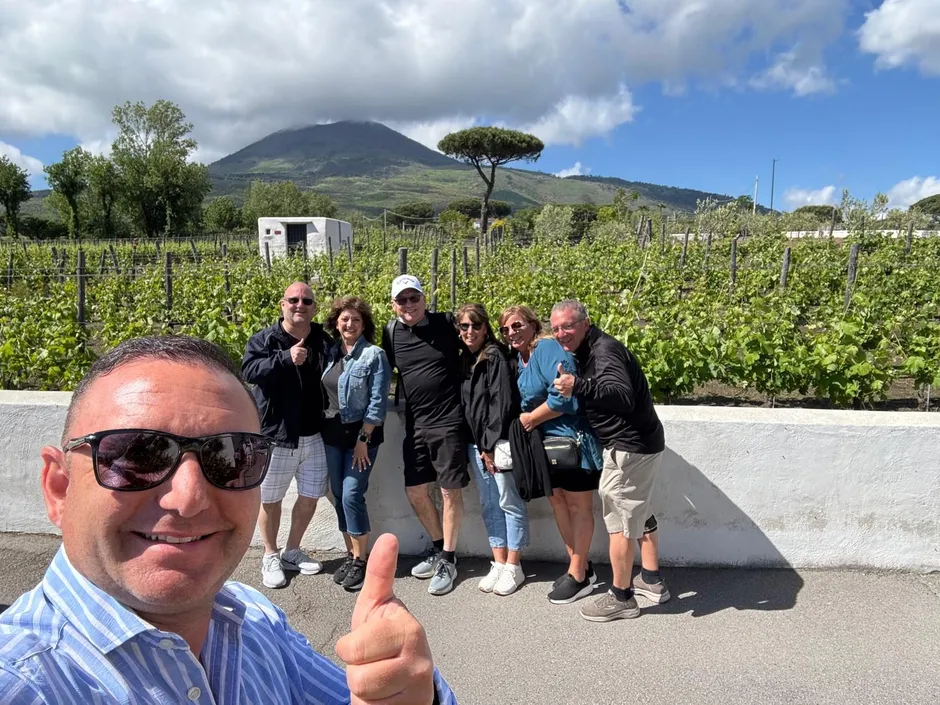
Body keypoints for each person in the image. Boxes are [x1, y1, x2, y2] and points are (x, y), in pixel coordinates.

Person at [0, 335, 457, 704]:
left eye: (231, 456)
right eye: (137, 453)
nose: (190, 499)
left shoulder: (253, 619)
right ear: (58, 488)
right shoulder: (22, 684)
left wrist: (411, 694)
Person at [550, 299, 671, 622]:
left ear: (585, 323)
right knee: (639, 511)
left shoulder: (605, 351)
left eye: (568, 326)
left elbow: (622, 394)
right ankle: (651, 580)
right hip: (640, 444)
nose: (562, 333)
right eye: (556, 328)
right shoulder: (593, 350)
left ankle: (622, 597)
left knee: (620, 522)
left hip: (629, 448)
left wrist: (579, 385)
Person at [498, 305, 603, 605]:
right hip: (547, 446)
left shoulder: (546, 349)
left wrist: (530, 419)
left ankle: (578, 575)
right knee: (558, 500)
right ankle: (579, 567)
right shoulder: (521, 359)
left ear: (532, 325)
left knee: (579, 506)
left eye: (517, 325)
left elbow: (563, 398)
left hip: (572, 443)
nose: (511, 333)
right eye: (505, 329)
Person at [242, 282, 334, 589]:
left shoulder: (322, 338)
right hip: (277, 435)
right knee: (271, 500)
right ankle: (270, 554)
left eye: (306, 300)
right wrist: (285, 358)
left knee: (310, 496)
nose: (300, 305)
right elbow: (249, 372)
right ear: (283, 304)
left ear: (314, 307)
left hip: (314, 434)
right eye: (293, 300)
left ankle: (292, 550)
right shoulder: (266, 339)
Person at [382, 274, 469, 596]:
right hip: (414, 424)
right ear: (394, 305)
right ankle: (438, 547)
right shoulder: (392, 333)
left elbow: (476, 346)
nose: (408, 305)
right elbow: (383, 371)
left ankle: (448, 558)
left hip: (448, 422)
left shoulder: (447, 324)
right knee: (416, 491)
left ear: (424, 299)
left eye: (413, 298)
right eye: (402, 300)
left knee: (449, 492)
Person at [456, 303, 528, 596]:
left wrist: (487, 445)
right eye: (464, 326)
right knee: (489, 504)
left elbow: (501, 404)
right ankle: (498, 562)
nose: (470, 331)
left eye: (475, 325)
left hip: (497, 444)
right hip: (478, 444)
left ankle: (515, 565)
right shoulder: (467, 359)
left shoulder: (495, 357)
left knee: (509, 502)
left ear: (485, 328)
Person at [321, 296, 391, 591]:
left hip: (360, 436)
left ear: (365, 325)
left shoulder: (374, 355)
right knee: (338, 493)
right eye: (344, 319)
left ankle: (361, 559)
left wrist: (364, 439)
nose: (349, 324)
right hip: (332, 434)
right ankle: (350, 553)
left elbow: (377, 403)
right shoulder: (329, 353)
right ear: (336, 323)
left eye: (356, 320)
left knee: (351, 494)